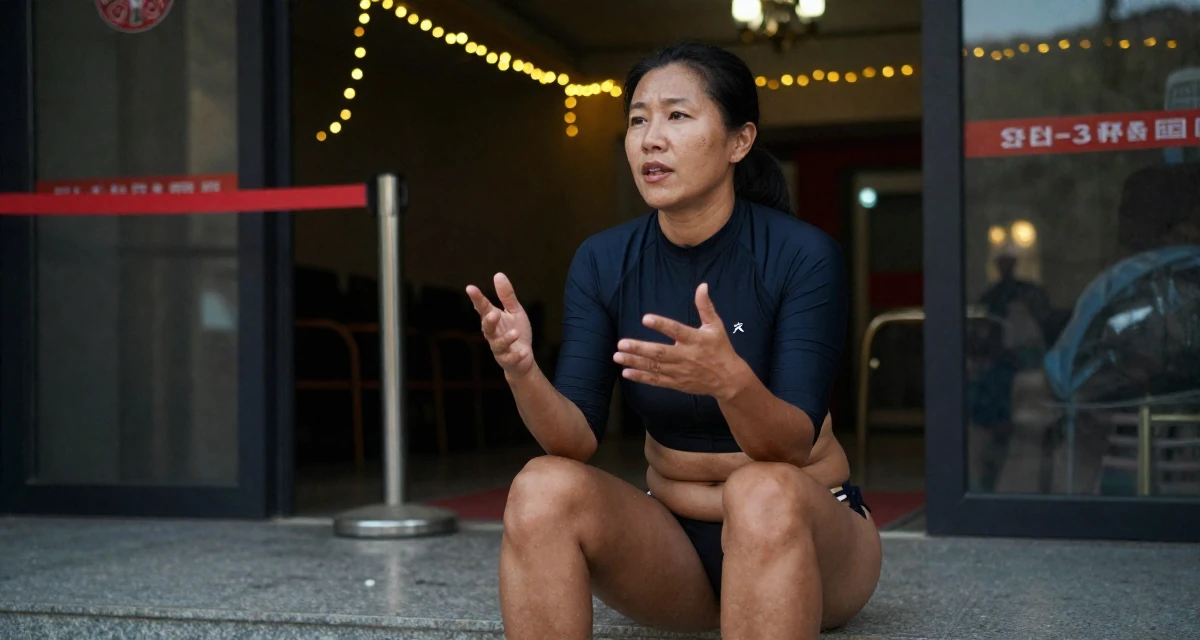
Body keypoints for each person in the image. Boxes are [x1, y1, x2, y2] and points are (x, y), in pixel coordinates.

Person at [465, 42, 881, 639]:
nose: (650, 140)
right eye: (638, 120)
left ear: (739, 141)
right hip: (674, 540)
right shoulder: (604, 261)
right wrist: (522, 371)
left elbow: (789, 448)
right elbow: (573, 442)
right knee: (541, 485)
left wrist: (730, 383)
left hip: (807, 535)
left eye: (677, 116)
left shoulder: (801, 255)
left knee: (761, 489)